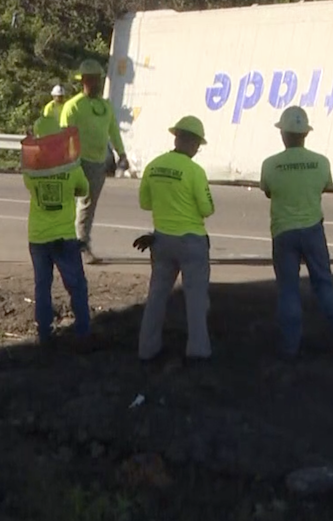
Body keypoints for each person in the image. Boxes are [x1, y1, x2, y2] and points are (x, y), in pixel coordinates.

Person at [260, 106, 333, 359]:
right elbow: (323, 187)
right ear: (305, 134)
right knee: (324, 284)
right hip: (313, 229)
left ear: (283, 134)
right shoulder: (321, 163)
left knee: (288, 290)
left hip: (283, 232)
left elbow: (269, 191)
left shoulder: (270, 165)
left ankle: (290, 347)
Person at [133, 115, 214, 363]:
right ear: (192, 143)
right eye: (198, 144)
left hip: (162, 240)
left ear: (176, 137)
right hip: (191, 241)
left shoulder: (154, 165)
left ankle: (147, 349)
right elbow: (207, 209)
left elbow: (145, 203)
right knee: (196, 299)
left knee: (157, 296)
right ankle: (198, 350)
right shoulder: (194, 171)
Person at [23, 115, 93, 349]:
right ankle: (83, 331)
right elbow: (84, 190)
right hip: (64, 237)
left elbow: (31, 191)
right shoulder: (71, 168)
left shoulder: (31, 171)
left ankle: (44, 334)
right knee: (76, 286)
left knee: (42, 286)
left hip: (37, 237)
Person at [59, 59, 128, 263]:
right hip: (77, 162)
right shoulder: (73, 106)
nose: (97, 83)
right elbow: (65, 136)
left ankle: (82, 245)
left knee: (88, 206)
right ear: (85, 80)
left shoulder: (104, 106)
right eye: (93, 80)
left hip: (98, 163)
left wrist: (121, 153)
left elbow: (113, 131)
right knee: (68, 205)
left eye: (99, 79)